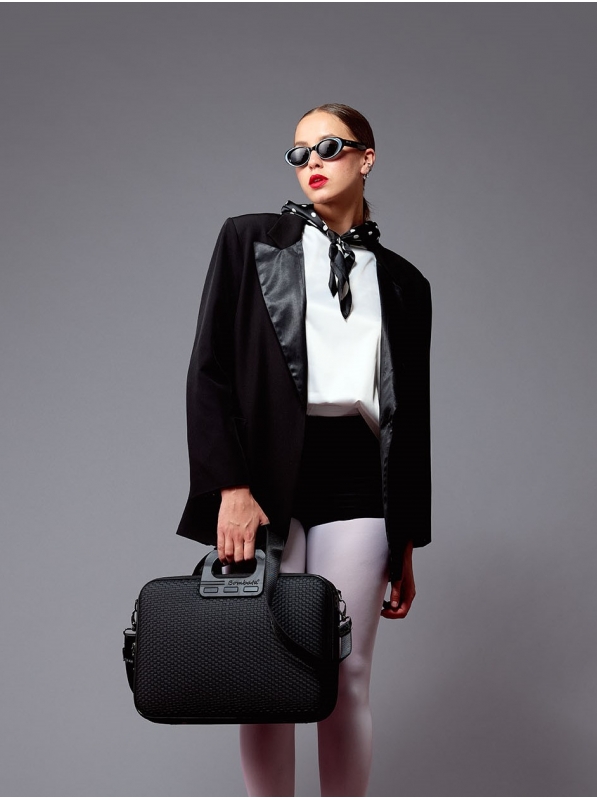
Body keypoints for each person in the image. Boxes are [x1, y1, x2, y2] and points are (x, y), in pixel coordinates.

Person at [176, 103, 432, 796]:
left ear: (367, 158)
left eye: (329, 147)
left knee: (347, 673)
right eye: (299, 152)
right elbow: (209, 371)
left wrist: (406, 537)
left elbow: (412, 418)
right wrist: (231, 487)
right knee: (264, 670)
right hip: (265, 475)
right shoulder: (250, 240)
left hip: (361, 477)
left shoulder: (404, 283)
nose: (311, 162)